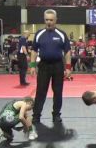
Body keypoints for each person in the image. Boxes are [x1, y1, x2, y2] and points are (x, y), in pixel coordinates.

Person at [29, 9, 71, 138]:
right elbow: (34, 51)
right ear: (44, 20)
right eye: (47, 20)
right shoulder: (39, 34)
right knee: (40, 92)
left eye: (51, 20)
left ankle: (56, 115)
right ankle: (36, 116)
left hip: (58, 66)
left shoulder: (62, 34)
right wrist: (32, 66)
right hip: (44, 66)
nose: (49, 22)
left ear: (56, 20)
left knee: (58, 92)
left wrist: (68, 68)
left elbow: (67, 52)